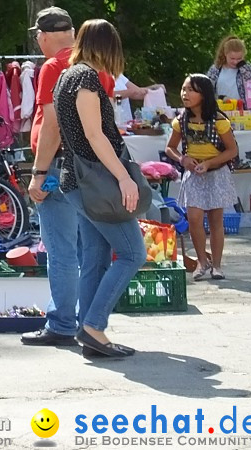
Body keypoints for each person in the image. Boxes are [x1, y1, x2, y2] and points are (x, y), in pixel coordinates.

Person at [50, 19, 146, 359]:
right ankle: (94, 326)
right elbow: (94, 135)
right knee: (134, 253)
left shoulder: (66, 76)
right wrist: (123, 176)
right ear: (107, 47)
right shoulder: (86, 78)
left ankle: (86, 330)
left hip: (77, 182)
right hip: (95, 182)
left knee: (96, 255)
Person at [22, 6, 84, 347]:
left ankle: (62, 323)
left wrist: (39, 174)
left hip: (58, 168)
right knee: (86, 249)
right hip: (89, 169)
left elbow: (52, 125)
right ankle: (87, 320)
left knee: (61, 251)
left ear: (43, 37)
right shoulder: (95, 64)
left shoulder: (54, 67)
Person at [164, 74, 239, 281]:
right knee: (194, 218)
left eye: (190, 90)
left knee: (216, 220)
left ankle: (216, 265)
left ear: (203, 95)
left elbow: (232, 150)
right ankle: (201, 261)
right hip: (194, 174)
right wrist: (183, 159)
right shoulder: (181, 121)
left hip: (216, 174)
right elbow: (170, 148)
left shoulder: (219, 121)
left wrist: (210, 163)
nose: (184, 94)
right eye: (183, 89)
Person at [206, 36, 251, 108]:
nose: (235, 62)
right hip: (220, 110)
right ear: (225, 54)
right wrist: (221, 98)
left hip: (243, 112)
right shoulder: (215, 69)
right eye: (232, 58)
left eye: (239, 58)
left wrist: (244, 68)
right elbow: (207, 90)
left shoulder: (249, 69)